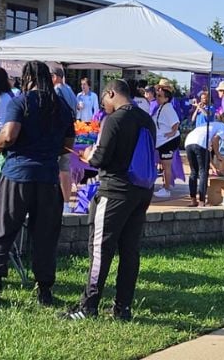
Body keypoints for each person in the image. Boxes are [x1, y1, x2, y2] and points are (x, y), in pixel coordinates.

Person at [0, 60, 74, 305]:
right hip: (47, 178)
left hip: (18, 175)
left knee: (2, 229)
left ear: (28, 78)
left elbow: (10, 135)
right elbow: (69, 145)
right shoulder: (62, 105)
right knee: (45, 235)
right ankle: (44, 289)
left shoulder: (20, 101)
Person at [66, 80, 156, 321]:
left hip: (115, 191)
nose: (103, 105)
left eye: (104, 99)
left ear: (111, 93)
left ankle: (88, 306)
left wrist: (87, 154)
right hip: (141, 191)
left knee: (100, 250)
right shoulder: (146, 118)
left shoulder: (114, 119)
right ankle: (123, 308)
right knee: (130, 251)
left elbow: (100, 157)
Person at [183, 111, 224, 207]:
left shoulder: (210, 125)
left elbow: (207, 152)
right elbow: (215, 140)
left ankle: (193, 200)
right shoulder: (223, 127)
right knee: (203, 172)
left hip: (189, 142)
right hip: (200, 143)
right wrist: (218, 154)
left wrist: (214, 167)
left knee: (193, 172)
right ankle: (201, 201)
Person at [50, 65, 78, 207]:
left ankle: (57, 201)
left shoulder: (57, 90)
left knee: (57, 168)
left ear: (55, 77)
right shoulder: (69, 89)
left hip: (59, 133)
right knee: (65, 168)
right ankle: (66, 203)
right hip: (70, 131)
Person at [152, 81, 181, 198]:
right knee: (164, 165)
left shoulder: (168, 108)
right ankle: (166, 185)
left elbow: (175, 122)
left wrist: (172, 133)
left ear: (166, 98)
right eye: (157, 95)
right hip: (162, 142)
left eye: (160, 96)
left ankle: (166, 188)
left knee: (166, 166)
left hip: (168, 142)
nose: (157, 98)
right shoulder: (161, 108)